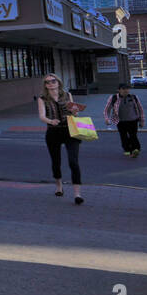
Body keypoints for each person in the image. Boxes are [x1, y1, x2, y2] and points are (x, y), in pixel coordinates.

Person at [37, 74, 84, 203]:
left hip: (70, 130)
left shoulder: (67, 95)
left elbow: (75, 113)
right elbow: (41, 116)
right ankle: (59, 185)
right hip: (53, 132)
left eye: (53, 81)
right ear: (45, 85)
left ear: (58, 82)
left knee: (73, 162)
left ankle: (77, 194)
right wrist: (50, 121)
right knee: (56, 161)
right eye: (47, 82)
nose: (51, 84)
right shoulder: (42, 99)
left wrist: (75, 111)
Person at [104, 83, 144, 157]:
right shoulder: (114, 98)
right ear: (119, 90)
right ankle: (127, 149)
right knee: (123, 136)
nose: (126, 90)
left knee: (133, 135)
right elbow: (107, 109)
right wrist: (107, 119)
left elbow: (140, 109)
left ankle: (136, 149)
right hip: (120, 121)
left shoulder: (133, 97)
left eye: (127, 89)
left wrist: (142, 120)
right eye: (123, 89)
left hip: (133, 120)